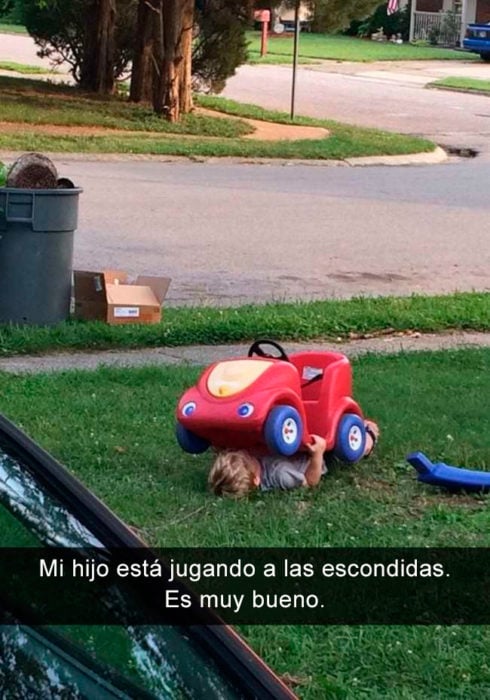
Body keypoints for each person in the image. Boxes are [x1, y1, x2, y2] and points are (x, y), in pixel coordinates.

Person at [208, 420, 379, 498]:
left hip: (295, 442)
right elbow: (310, 481)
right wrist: (318, 454)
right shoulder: (281, 474)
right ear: (257, 478)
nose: (244, 452)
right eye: (245, 457)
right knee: (354, 444)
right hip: (316, 455)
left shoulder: (247, 463)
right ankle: (371, 438)